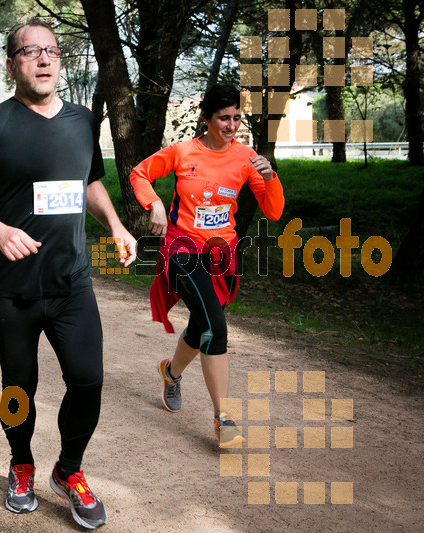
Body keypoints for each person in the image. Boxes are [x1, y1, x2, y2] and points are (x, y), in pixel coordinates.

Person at [0, 18, 136, 530]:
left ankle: (68, 470)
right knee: (18, 385)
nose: (44, 59)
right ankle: (21, 463)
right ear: (12, 65)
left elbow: (88, 182)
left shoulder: (81, 121)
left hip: (72, 282)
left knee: (88, 380)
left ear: (60, 61)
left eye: (51, 51)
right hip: (12, 289)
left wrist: (114, 223)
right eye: (30, 52)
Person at [128, 84, 285, 448]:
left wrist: (270, 175)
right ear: (206, 119)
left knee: (201, 326)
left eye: (236, 118)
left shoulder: (247, 159)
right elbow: (139, 173)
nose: (231, 126)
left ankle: (170, 371)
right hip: (182, 250)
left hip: (222, 257)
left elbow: (274, 211)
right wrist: (152, 203)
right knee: (216, 326)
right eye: (223, 118)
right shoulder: (183, 152)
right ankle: (223, 418)